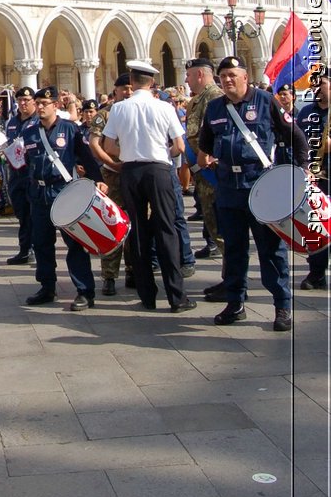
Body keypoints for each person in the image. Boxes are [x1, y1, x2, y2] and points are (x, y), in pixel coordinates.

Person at [198, 56, 309, 330]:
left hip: (261, 188)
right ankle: (235, 303)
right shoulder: (214, 108)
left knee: (271, 251)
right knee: (234, 250)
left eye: (233, 75)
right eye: (223, 76)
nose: (227, 80)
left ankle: (282, 306)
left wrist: (304, 168)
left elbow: (295, 135)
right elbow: (206, 146)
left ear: (245, 77)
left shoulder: (265, 101)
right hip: (228, 191)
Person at [101, 62, 195, 313]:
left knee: (138, 230)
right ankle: (176, 296)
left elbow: (108, 147)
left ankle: (147, 295)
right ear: (152, 82)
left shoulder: (119, 108)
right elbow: (179, 146)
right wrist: (163, 152)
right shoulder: (164, 106)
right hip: (159, 169)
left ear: (131, 80)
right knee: (167, 228)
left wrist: (130, 153)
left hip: (131, 170)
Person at [22, 85, 100, 310]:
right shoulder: (29, 132)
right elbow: (27, 162)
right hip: (39, 194)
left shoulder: (70, 129)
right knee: (42, 243)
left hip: (63, 192)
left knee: (74, 243)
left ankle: (85, 290)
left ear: (55, 105)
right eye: (37, 104)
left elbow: (85, 156)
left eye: (44, 104)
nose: (39, 107)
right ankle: (47, 287)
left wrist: (97, 179)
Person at [89, 74, 132, 296]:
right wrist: (112, 165)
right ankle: (109, 276)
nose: (128, 92)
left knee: (137, 223)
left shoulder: (137, 111)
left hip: (135, 175)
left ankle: (135, 270)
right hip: (113, 177)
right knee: (112, 224)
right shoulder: (104, 114)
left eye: (131, 88)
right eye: (123, 88)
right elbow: (95, 144)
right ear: (115, 90)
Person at [184, 59, 223, 265]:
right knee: (211, 220)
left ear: (199, 74)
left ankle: (232, 281)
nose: (186, 80)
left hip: (212, 170)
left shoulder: (214, 96)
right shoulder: (199, 99)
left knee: (219, 223)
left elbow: (216, 132)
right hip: (202, 170)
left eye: (189, 75)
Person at [296, 67, 330, 290]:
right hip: (315, 178)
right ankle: (316, 273)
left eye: (322, 84)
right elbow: (296, 140)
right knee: (317, 226)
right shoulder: (306, 112)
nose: (317, 89)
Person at [3, 87, 37, 265]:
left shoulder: (38, 121)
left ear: (33, 101)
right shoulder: (12, 122)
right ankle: (25, 249)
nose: (23, 103)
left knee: (35, 214)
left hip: (33, 173)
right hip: (16, 173)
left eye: (26, 99)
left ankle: (36, 248)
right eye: (20, 100)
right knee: (22, 213)